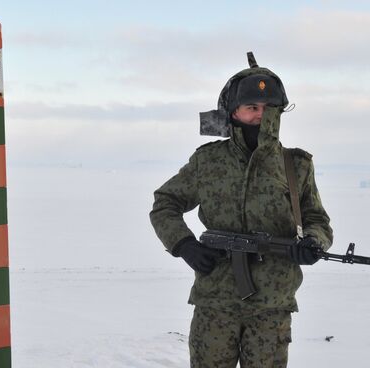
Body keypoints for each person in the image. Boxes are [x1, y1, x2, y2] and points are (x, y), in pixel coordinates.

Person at [149, 52, 333, 367]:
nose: (261, 116)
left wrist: (314, 242)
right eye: (252, 108)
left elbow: (317, 219)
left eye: (268, 108)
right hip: (215, 302)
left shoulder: (296, 165)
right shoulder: (207, 161)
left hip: (272, 305)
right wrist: (184, 244)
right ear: (233, 112)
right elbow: (165, 203)